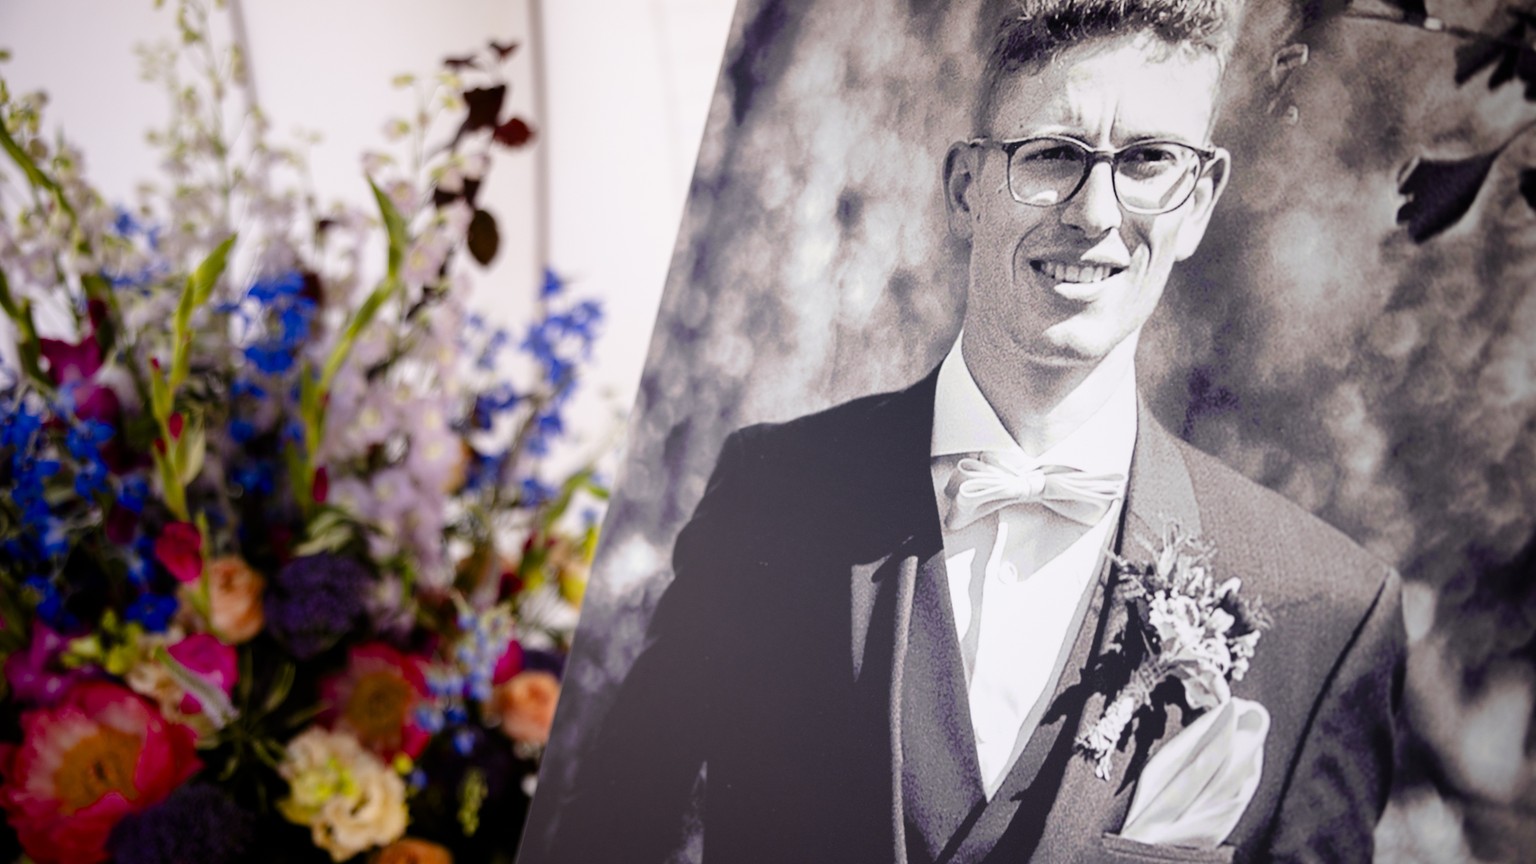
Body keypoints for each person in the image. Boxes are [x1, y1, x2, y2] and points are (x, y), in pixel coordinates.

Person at [536, 1, 1404, 862]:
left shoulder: (1322, 616)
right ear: (966, 189)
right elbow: (606, 834)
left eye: (1147, 160)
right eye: (1054, 155)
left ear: (1199, 201)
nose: (1095, 211)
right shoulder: (773, 495)